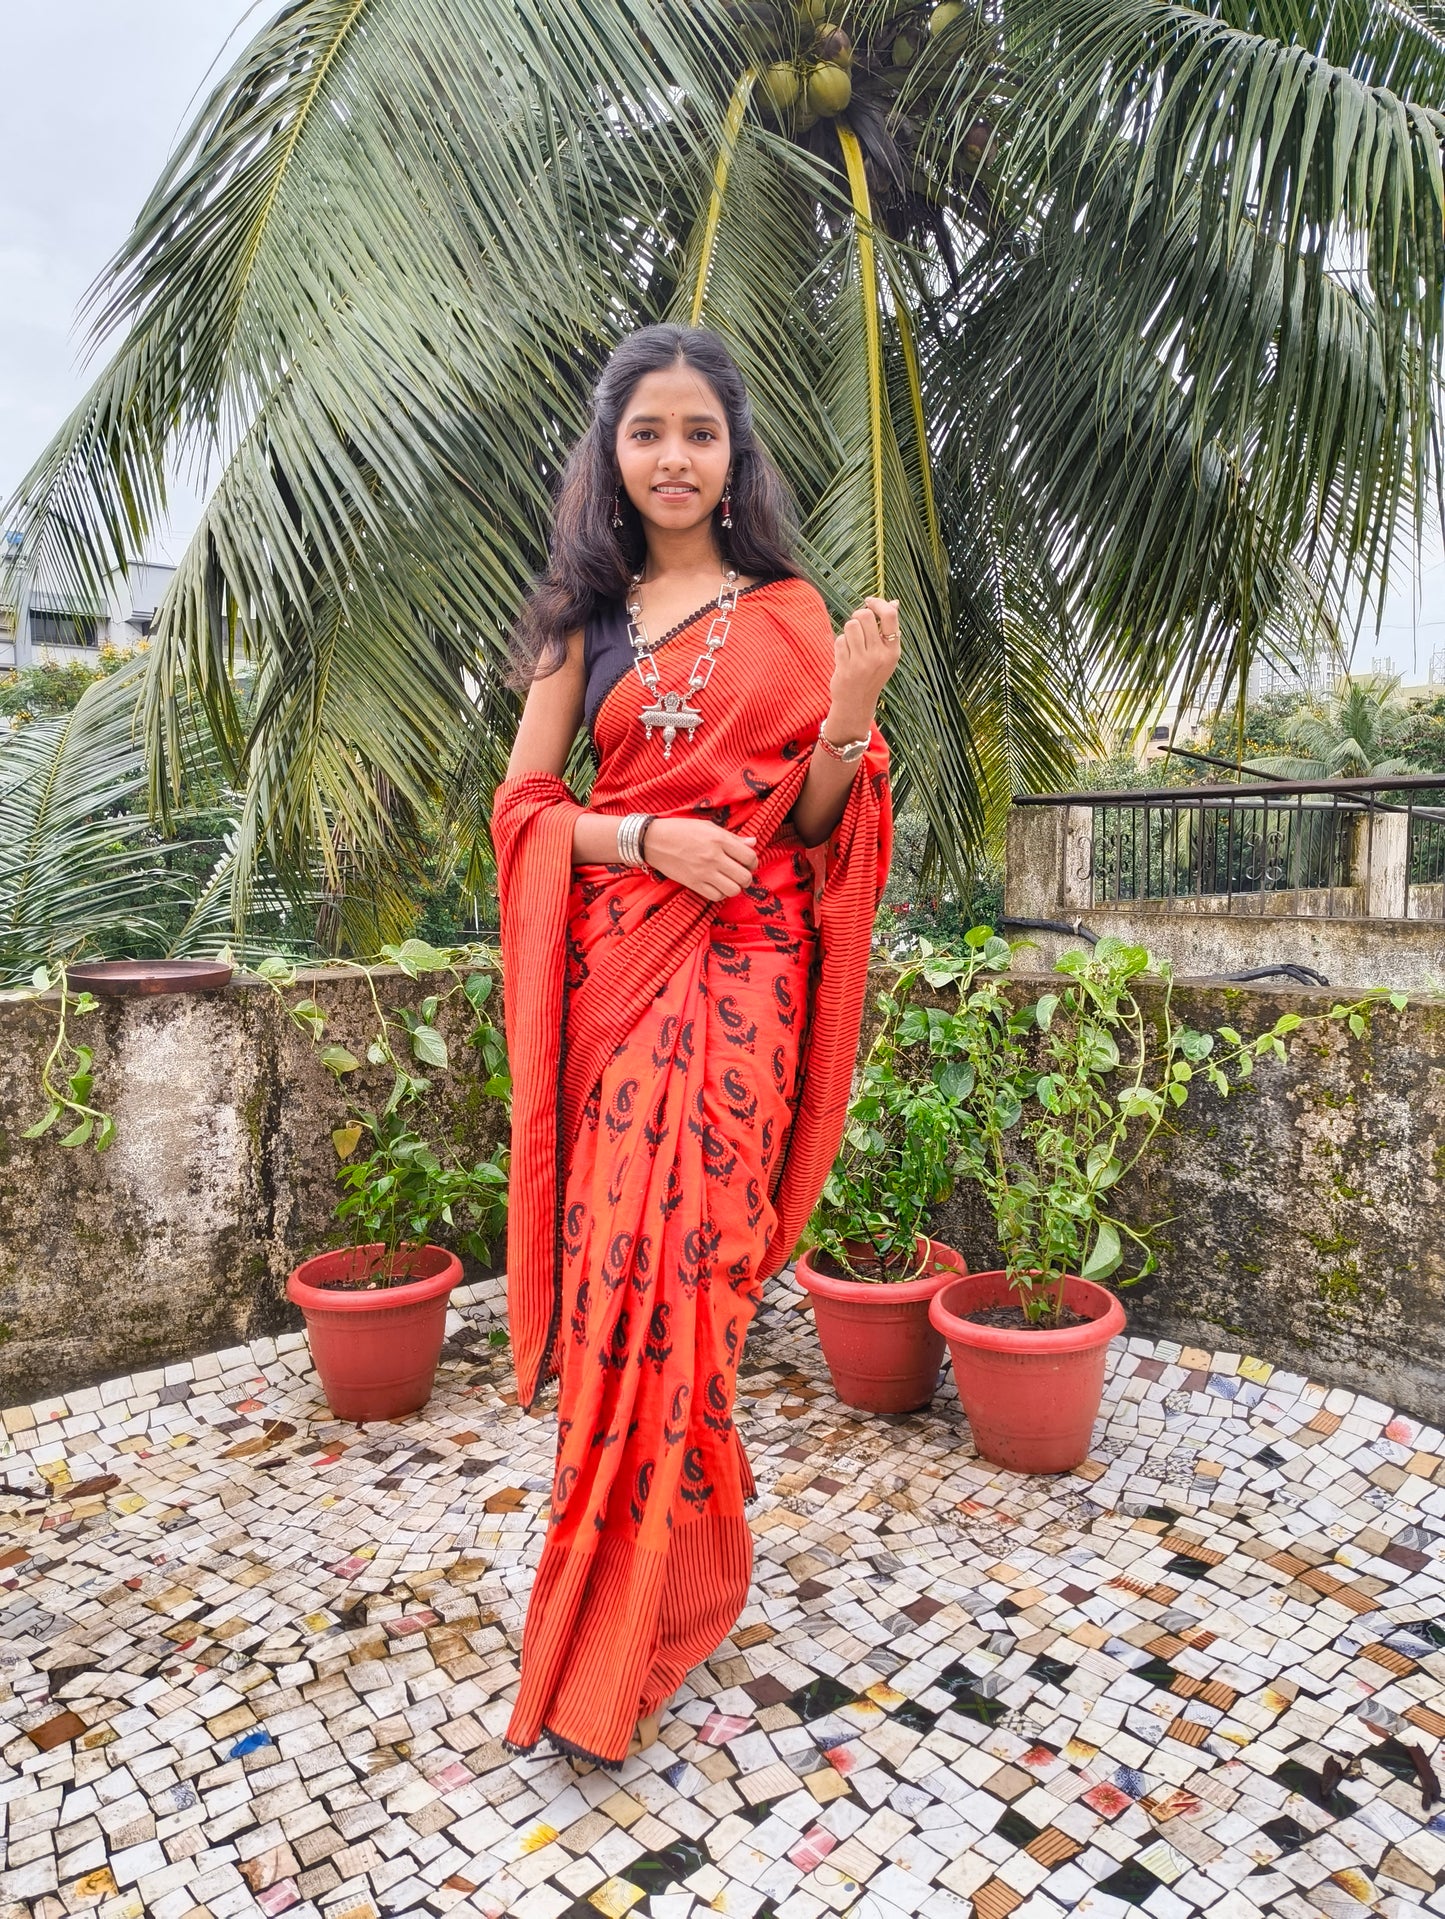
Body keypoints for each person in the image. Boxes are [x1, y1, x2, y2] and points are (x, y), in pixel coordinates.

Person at [493, 323, 898, 1768]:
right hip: (619, 988)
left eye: (700, 433)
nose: (674, 456)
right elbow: (524, 810)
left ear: (735, 458)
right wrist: (642, 833)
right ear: (612, 452)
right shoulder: (575, 619)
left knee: (698, 1290)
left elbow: (804, 829)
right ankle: (598, 1623)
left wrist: (846, 723)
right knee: (618, 1294)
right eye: (648, 430)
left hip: (743, 992)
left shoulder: (788, 615)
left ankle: (667, 1596)